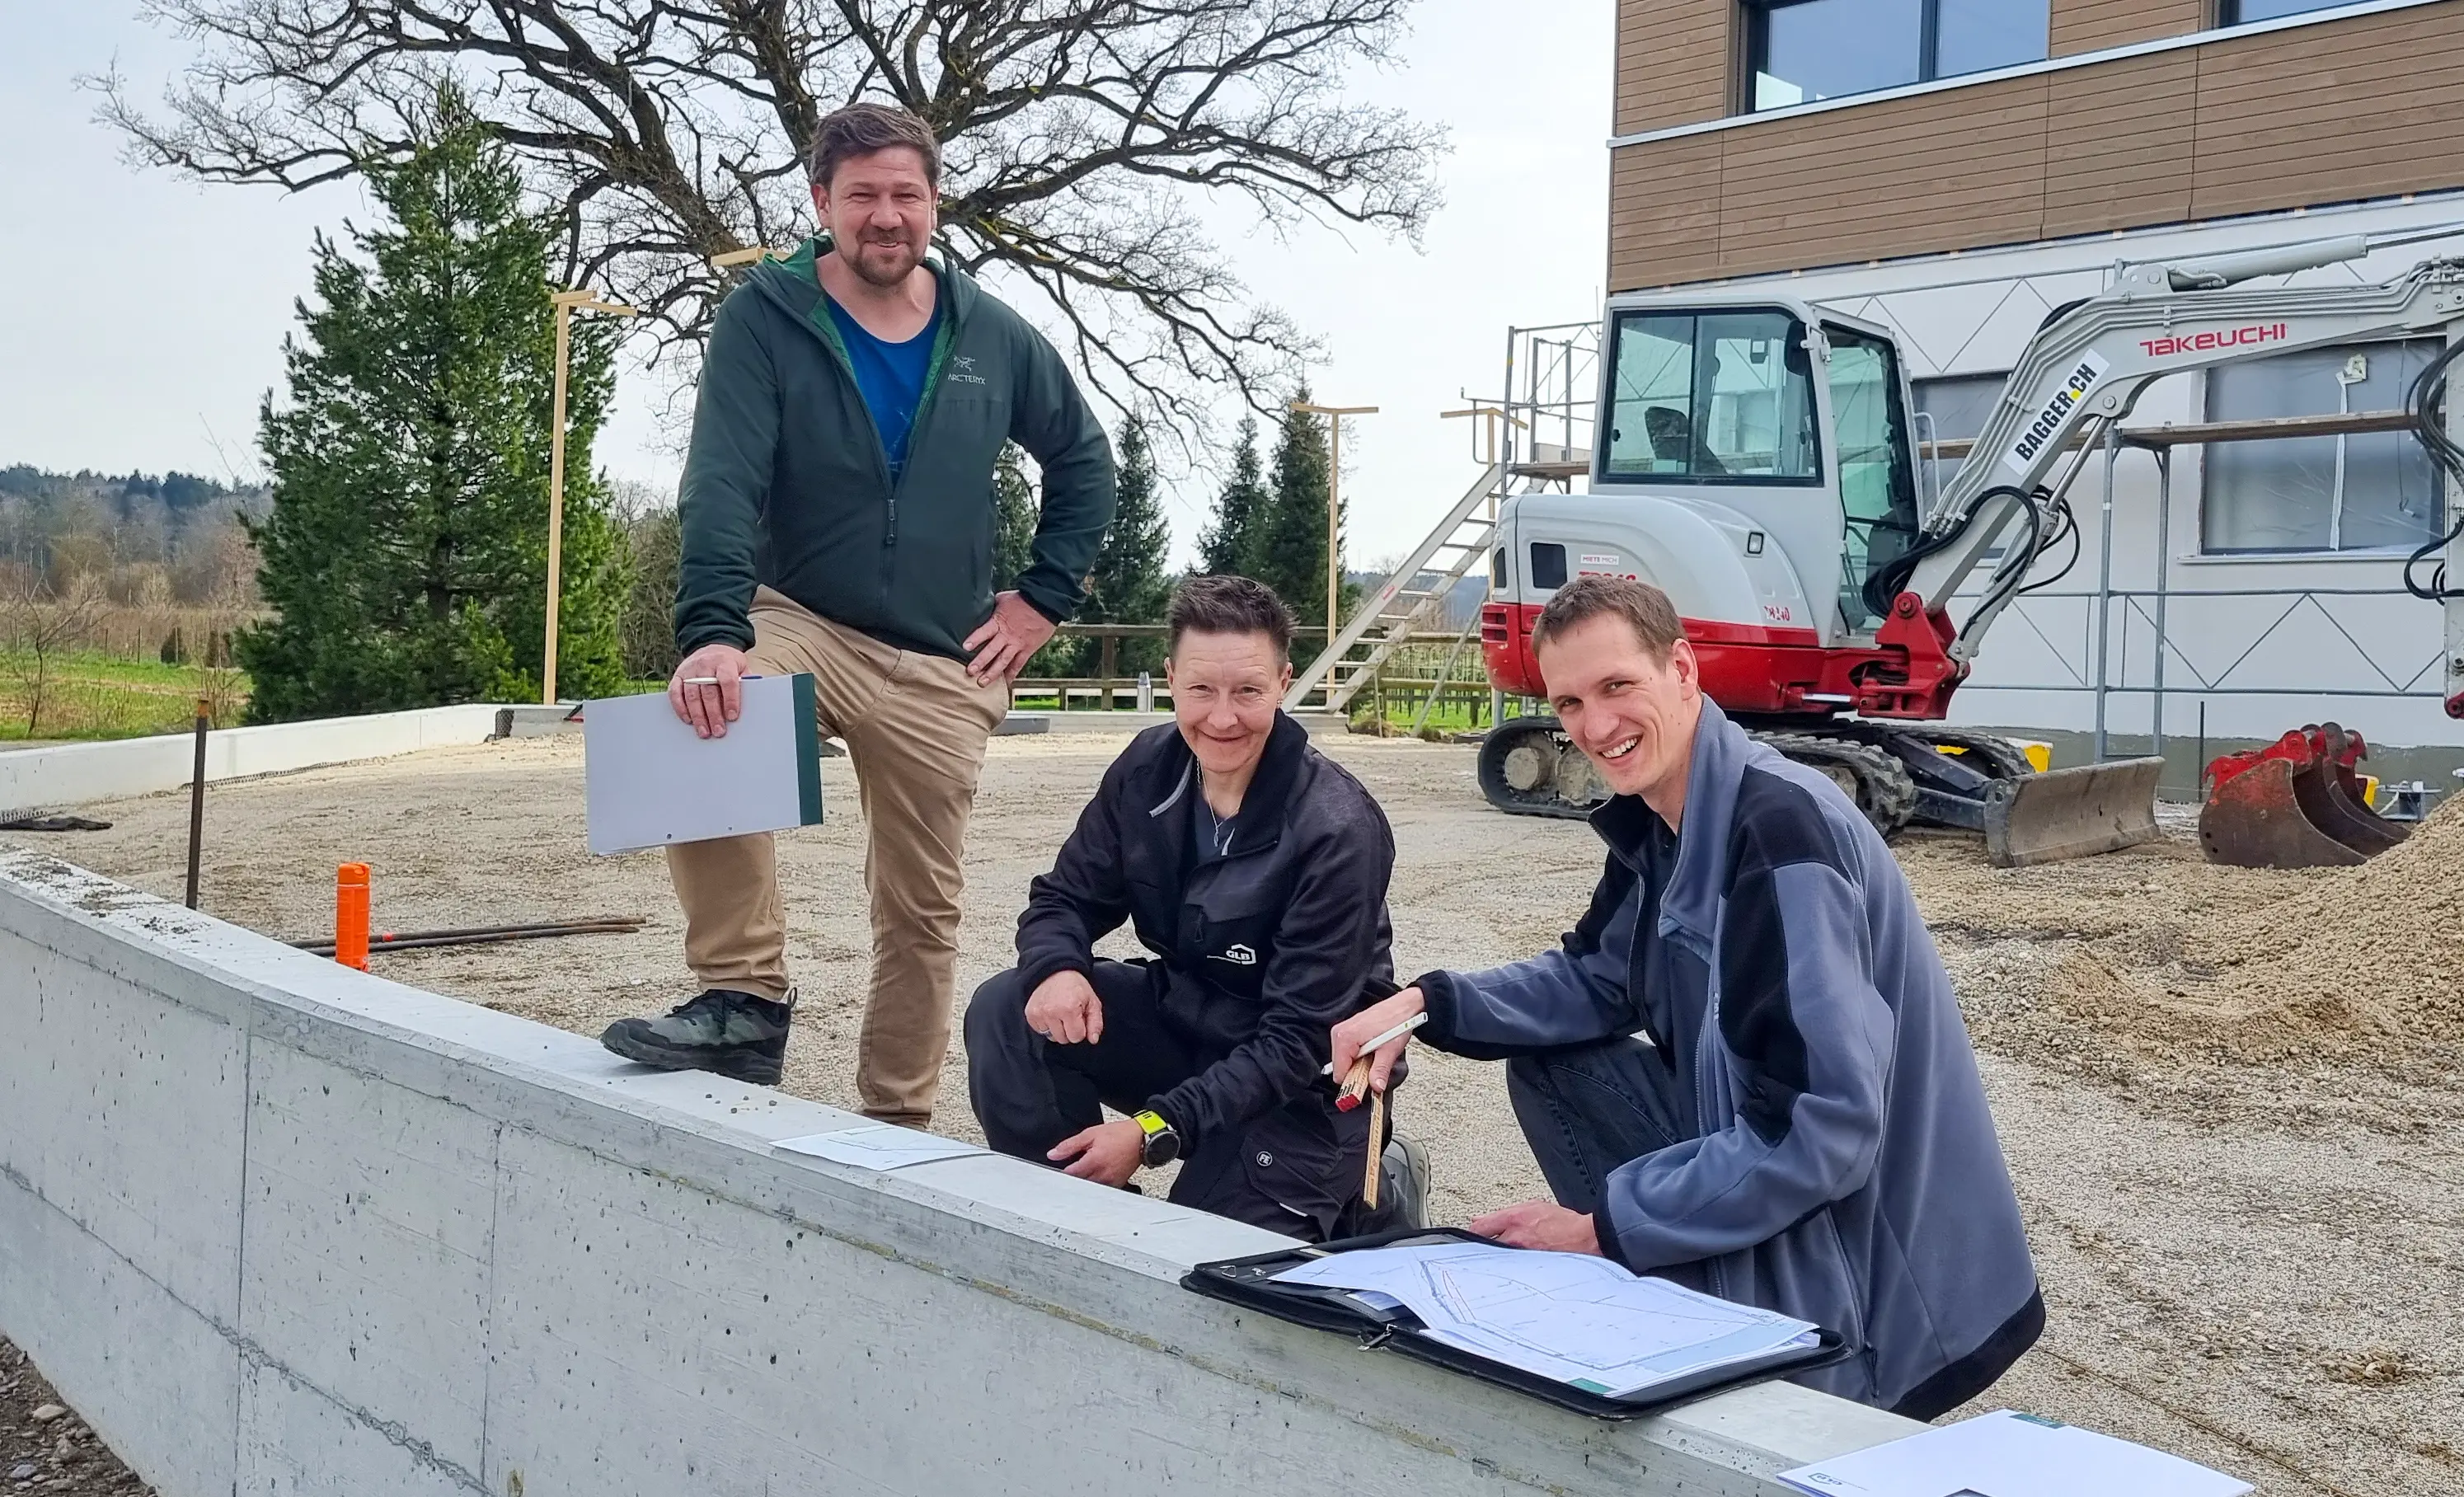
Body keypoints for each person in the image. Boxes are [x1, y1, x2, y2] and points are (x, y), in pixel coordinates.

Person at [1328, 575, 2041, 1418]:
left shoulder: (1777, 834)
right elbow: (1594, 977)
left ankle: (1754, 1353)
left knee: (1726, 1331)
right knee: (1554, 1068)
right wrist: (1417, 1005)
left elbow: (1827, 1130)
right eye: (1568, 702)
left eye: (1616, 686)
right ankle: (1674, 1300)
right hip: (1783, 1162)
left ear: (1682, 669)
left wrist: (1602, 1227)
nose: (1594, 727)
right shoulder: (1670, 816)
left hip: (1873, 1268)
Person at [599, 103, 1116, 1125]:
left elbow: (1083, 459)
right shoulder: (767, 317)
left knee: (921, 911)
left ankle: (894, 1123)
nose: (887, 217)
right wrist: (712, 630)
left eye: (906, 196)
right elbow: (719, 482)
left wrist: (1042, 599)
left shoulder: (992, 334)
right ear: (820, 201)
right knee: (714, 705)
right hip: (806, 618)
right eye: (864, 196)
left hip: (943, 657)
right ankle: (742, 1002)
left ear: (934, 202)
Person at [965, 576, 1423, 1237]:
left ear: (1284, 682)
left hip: (1301, 1081)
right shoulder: (1147, 766)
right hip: (1189, 1024)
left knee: (1203, 1267)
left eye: (1248, 691)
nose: (1221, 717)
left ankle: (1368, 1195)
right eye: (1201, 690)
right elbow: (1064, 896)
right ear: (1171, 677)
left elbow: (1298, 1039)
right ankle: (1067, 1220)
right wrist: (1055, 966)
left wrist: (1152, 1130)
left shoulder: (1337, 828)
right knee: (1008, 1008)